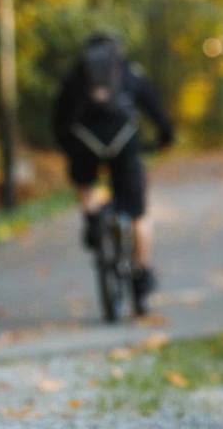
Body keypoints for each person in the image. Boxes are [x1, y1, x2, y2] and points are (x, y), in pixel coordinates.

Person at [52, 33, 174, 301]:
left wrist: (67, 145)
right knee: (137, 212)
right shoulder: (129, 70)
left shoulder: (76, 75)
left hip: (84, 143)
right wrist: (165, 136)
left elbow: (59, 114)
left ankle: (93, 218)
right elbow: (154, 105)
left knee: (84, 184)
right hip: (125, 142)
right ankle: (142, 274)